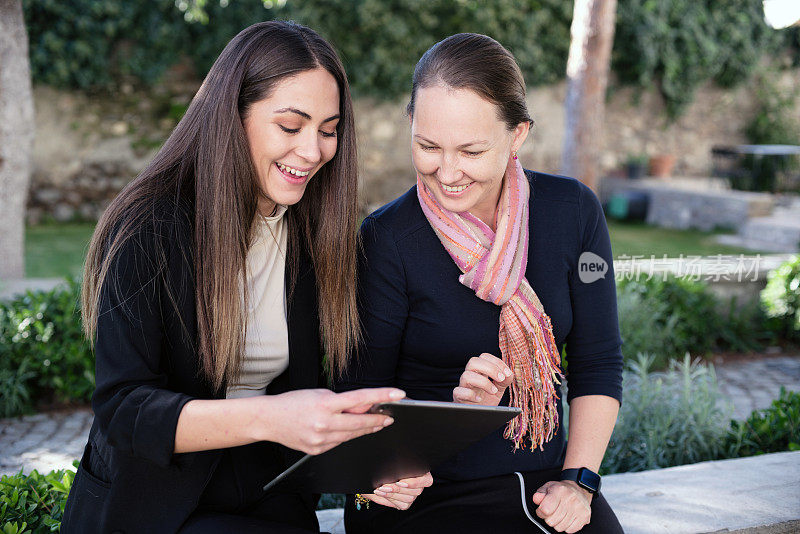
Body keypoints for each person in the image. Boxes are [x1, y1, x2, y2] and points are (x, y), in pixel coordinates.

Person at [61, 21, 431, 534]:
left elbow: (320, 396)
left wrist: (369, 468)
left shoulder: (313, 231)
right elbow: (124, 410)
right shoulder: (147, 225)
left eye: (328, 130)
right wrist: (272, 417)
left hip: (268, 496)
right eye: (290, 126)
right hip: (153, 505)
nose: (313, 151)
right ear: (232, 116)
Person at [338, 33, 624, 533]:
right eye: (427, 146)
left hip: (545, 483)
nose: (447, 172)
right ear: (411, 124)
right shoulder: (387, 238)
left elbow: (597, 361)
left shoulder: (573, 212)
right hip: (422, 490)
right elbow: (360, 395)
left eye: (471, 151)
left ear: (517, 135)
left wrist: (578, 481)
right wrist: (453, 414)